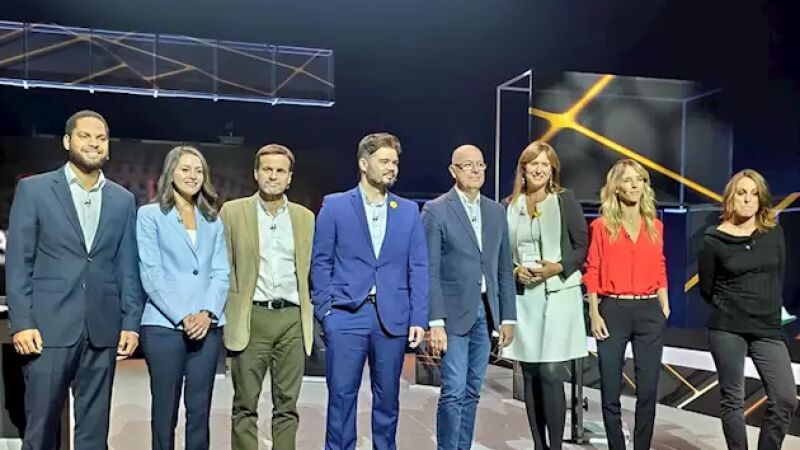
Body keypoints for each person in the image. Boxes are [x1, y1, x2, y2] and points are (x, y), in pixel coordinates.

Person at [5, 110, 143, 449]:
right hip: (47, 330)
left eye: (101, 138)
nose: (94, 143)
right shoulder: (35, 190)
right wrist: (22, 323)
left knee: (94, 432)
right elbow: (19, 262)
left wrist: (131, 323)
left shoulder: (123, 200)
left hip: (102, 329)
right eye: (85, 136)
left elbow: (127, 266)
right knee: (40, 429)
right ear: (67, 141)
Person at [310, 132, 429, 450]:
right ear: (364, 164)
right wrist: (326, 310)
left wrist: (418, 317)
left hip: (392, 317)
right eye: (384, 161)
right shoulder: (335, 206)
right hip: (346, 314)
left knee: (388, 399)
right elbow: (320, 261)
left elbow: (419, 266)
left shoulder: (408, 210)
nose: (392, 167)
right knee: (341, 397)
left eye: (395, 162)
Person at [221, 144, 315, 450]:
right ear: (256, 173)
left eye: (280, 171)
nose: (273, 176)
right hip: (252, 317)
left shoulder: (304, 217)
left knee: (287, 406)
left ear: (289, 177)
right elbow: (223, 267)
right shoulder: (233, 212)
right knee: (245, 403)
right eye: (267, 170)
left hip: (292, 319)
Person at [422, 144, 516, 450]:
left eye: (480, 165)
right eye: (467, 165)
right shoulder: (436, 210)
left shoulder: (496, 211)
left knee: (473, 390)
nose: (475, 170)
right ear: (453, 171)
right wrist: (435, 321)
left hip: (486, 313)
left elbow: (503, 268)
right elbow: (430, 270)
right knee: (453, 391)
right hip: (452, 314)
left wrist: (508, 316)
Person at [136, 145, 229, 450]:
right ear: (171, 173)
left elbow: (221, 272)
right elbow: (152, 273)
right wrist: (183, 316)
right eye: (185, 169)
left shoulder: (212, 220)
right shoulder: (150, 215)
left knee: (200, 411)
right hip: (164, 325)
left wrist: (207, 313)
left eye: (199, 170)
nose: (193, 176)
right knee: (165, 411)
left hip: (207, 326)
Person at [698, 169, 797, 450]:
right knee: (733, 400)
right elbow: (707, 288)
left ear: (761, 198)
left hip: (767, 328)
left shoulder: (773, 233)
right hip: (727, 327)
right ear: (731, 197)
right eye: (741, 193)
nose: (747, 199)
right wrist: (733, 305)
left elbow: (778, 276)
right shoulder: (713, 239)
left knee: (785, 398)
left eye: (754, 193)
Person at [501, 141, 589, 450]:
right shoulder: (508, 205)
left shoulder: (564, 200)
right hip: (525, 298)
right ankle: (539, 445)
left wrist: (558, 267)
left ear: (552, 171)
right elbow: (502, 252)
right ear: (523, 169)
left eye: (545, 165)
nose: (539, 169)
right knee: (530, 372)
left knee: (551, 371)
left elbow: (581, 246)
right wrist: (515, 271)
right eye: (533, 164)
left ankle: (555, 447)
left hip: (559, 294)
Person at [585, 159, 669, 450]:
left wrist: (664, 303)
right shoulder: (601, 226)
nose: (634, 185)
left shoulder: (655, 226)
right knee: (610, 389)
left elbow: (659, 264)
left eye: (639, 180)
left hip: (649, 311)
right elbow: (592, 269)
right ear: (616, 187)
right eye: (627, 180)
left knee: (647, 390)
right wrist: (594, 312)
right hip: (613, 309)